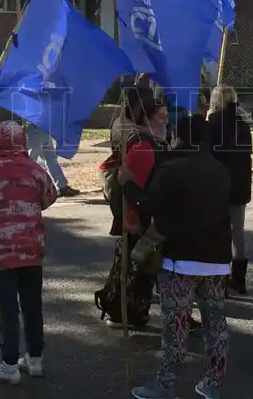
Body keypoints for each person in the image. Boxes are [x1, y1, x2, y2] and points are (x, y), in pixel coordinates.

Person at [130, 115, 232, 399]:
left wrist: (129, 184)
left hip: (179, 259)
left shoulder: (170, 169)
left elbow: (147, 205)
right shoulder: (220, 170)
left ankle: (166, 385)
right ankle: (213, 383)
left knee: (175, 326)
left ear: (182, 137)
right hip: (216, 259)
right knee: (216, 324)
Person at [0, 121, 57, 383]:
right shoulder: (34, 169)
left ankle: (9, 364)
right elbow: (49, 196)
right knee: (32, 306)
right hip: (31, 249)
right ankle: (35, 358)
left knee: (7, 310)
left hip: (0, 253)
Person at [95, 89, 169, 328]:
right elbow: (130, 189)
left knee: (143, 273)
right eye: (160, 115)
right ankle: (124, 314)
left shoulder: (154, 142)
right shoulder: (142, 147)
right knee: (135, 272)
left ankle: (137, 313)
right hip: (139, 223)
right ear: (145, 119)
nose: (166, 119)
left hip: (149, 220)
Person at [207, 85, 252, 295]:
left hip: (218, 184)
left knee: (218, 231)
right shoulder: (242, 123)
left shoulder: (214, 123)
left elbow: (209, 153)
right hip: (240, 182)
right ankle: (239, 278)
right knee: (238, 231)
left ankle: (221, 279)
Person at [26, 123, 81, 198]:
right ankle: (22, 187)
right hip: (41, 128)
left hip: (40, 129)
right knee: (37, 159)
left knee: (47, 159)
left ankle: (62, 186)